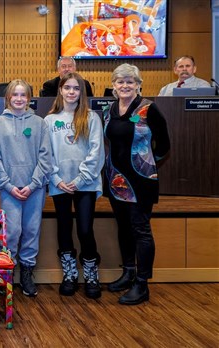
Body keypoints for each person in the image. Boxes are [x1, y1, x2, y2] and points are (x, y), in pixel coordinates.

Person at [103, 64, 170, 305]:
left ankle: (142, 284)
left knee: (141, 230)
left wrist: (146, 164)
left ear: (138, 84)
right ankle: (128, 272)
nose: (125, 85)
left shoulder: (149, 109)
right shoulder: (109, 110)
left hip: (141, 181)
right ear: (113, 85)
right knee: (123, 227)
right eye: (120, 81)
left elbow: (163, 147)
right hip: (115, 180)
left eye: (130, 81)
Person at [44, 72, 105, 299]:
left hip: (85, 184)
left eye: (76, 88)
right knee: (64, 227)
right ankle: (69, 274)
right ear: (60, 90)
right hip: (60, 182)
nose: (71, 92)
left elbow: (96, 152)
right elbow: (46, 153)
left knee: (85, 229)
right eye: (67, 87)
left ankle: (91, 273)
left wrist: (79, 180)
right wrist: (57, 179)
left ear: (82, 92)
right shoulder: (49, 120)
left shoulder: (91, 118)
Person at [0, 79, 52, 297]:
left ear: (29, 98)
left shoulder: (39, 123)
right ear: (8, 98)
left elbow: (46, 157)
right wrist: (7, 185)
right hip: (9, 188)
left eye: (23, 95)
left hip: (34, 188)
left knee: (32, 230)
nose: (19, 99)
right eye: (14, 95)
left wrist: (33, 184)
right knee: (12, 230)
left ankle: (27, 271)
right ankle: (4, 272)